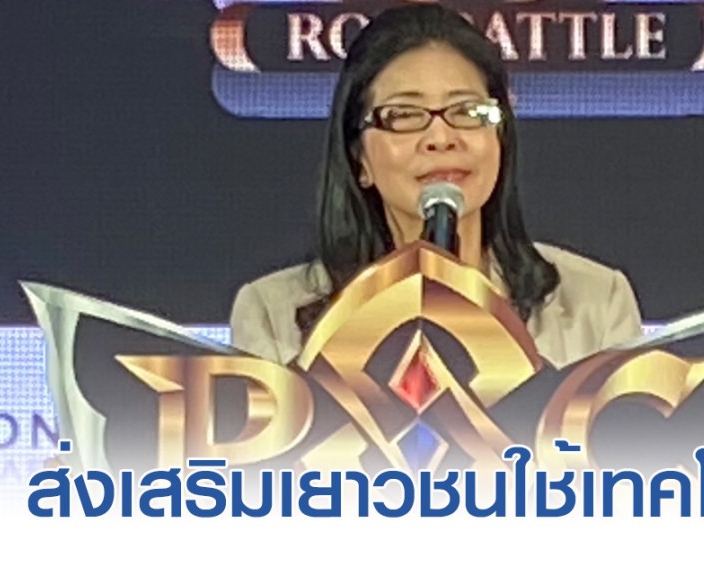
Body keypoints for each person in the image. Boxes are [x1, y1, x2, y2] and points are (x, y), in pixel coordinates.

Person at [230, 3, 642, 369]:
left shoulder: (596, 304)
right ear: (360, 159)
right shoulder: (272, 316)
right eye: (404, 114)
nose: (441, 138)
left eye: (468, 111)